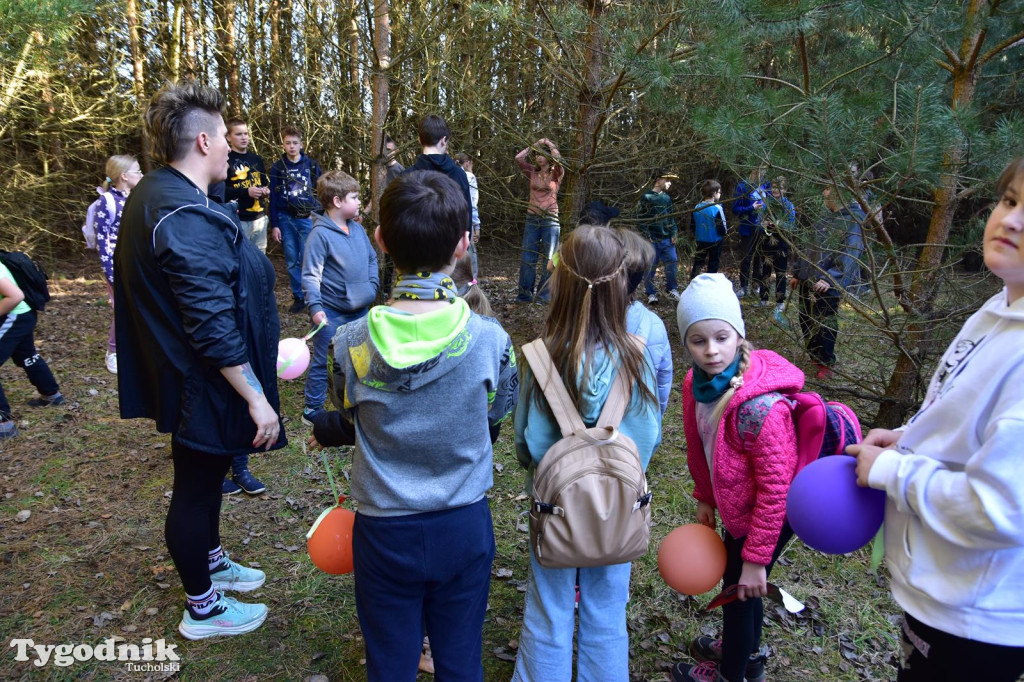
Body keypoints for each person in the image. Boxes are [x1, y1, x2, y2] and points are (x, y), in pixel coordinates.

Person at [325, 170, 518, 681]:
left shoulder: (347, 343)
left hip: (384, 530)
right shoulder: (491, 342)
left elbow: (347, 415)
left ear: (380, 239)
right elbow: (495, 415)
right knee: (460, 659)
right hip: (463, 526)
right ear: (463, 244)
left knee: (389, 663)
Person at [114, 82, 285, 640]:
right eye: (226, 141)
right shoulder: (179, 212)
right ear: (205, 140)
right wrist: (256, 398)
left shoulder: (164, 194)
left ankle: (211, 560)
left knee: (206, 477)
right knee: (193, 485)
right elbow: (210, 323)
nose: (233, 152)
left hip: (192, 376)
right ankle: (203, 608)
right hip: (200, 379)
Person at [849, 156, 1024, 682]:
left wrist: (890, 472)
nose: (1011, 220)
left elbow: (1000, 509)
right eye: (1011, 200)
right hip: (945, 597)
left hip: (977, 619)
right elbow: (967, 418)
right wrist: (908, 439)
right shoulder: (997, 310)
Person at [512, 225, 661, 682]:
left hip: (555, 507)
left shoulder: (541, 357)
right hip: (618, 508)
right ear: (621, 285)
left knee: (549, 606)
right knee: (608, 608)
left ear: (561, 281)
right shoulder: (637, 356)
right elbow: (648, 436)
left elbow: (527, 441)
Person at [671, 273, 803, 682]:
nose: (711, 351)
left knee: (740, 589)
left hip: (771, 514)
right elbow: (700, 448)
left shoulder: (760, 407)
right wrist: (705, 496)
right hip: (737, 507)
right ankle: (747, 654)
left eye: (722, 337)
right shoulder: (697, 383)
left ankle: (733, 674)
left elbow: (776, 491)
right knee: (742, 588)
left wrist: (756, 560)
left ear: (740, 335)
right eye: (698, 340)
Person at [300, 170, 378, 425]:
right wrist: (315, 307)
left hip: (361, 310)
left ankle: (358, 400)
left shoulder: (356, 229)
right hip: (331, 314)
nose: (359, 202)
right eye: (354, 198)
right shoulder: (319, 235)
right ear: (337, 201)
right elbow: (311, 275)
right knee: (324, 360)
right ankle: (312, 409)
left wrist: (372, 284)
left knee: (362, 357)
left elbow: (371, 258)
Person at [790, 184, 866, 379]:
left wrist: (830, 279)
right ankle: (814, 355)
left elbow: (850, 254)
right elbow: (810, 246)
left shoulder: (853, 221)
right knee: (806, 318)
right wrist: (799, 272)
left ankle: (826, 362)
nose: (823, 192)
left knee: (825, 322)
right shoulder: (826, 217)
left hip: (826, 286)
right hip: (809, 280)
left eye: (827, 188)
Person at [0, 262, 65, 441]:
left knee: (27, 355)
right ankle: (52, 395)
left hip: (15, 314)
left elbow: (15, 296)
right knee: (27, 355)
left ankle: (4, 424)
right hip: (23, 314)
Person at [93, 154, 143, 375]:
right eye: (138, 171)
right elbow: (102, 240)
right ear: (124, 175)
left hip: (137, 264)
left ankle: (134, 348)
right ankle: (112, 351)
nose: (142, 175)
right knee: (121, 309)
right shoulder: (106, 202)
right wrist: (111, 272)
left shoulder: (136, 198)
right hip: (117, 266)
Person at [618, 227, 673, 415]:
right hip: (638, 430)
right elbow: (662, 382)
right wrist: (656, 419)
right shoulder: (654, 324)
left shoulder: (577, 321)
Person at [269, 125, 323, 313]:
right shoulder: (278, 168)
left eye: (295, 143)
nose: (291, 146)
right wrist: (275, 224)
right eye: (287, 143)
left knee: (308, 258)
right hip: (286, 218)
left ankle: (313, 297)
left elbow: (321, 190)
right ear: (283, 145)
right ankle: (298, 297)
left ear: (301, 144)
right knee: (292, 259)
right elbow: (273, 199)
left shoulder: (311, 165)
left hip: (306, 218)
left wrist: (314, 212)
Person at [515, 137, 564, 303]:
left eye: (542, 154)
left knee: (550, 258)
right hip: (532, 217)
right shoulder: (532, 172)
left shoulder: (556, 172)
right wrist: (533, 145)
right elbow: (518, 158)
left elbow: (558, 159)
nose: (538, 157)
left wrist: (549, 144)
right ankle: (524, 295)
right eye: (536, 155)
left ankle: (544, 296)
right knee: (528, 257)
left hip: (550, 218)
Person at [224, 117, 270, 253]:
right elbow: (220, 191)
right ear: (228, 137)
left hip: (259, 219)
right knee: (240, 260)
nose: (244, 138)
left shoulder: (256, 159)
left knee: (261, 260)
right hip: (238, 220)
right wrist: (246, 192)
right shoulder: (226, 160)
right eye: (238, 134)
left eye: (246, 133)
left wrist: (265, 191)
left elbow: (264, 183)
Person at [639, 171, 681, 304]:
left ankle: (672, 289)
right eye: (667, 180)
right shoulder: (646, 197)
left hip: (667, 239)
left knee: (672, 262)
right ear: (658, 180)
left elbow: (671, 217)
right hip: (651, 240)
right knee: (650, 266)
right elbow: (640, 219)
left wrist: (674, 232)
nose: (669, 183)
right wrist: (646, 235)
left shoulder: (666, 198)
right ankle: (650, 293)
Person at [756, 177, 796, 312]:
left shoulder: (789, 206)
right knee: (766, 272)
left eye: (779, 188)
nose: (775, 190)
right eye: (773, 187)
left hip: (782, 244)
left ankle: (780, 301)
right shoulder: (766, 204)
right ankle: (763, 299)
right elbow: (759, 222)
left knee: (780, 273)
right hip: (766, 243)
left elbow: (791, 226)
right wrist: (764, 225)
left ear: (785, 190)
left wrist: (778, 224)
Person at [733, 167, 768, 298]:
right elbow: (735, 209)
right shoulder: (742, 187)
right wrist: (750, 208)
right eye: (760, 171)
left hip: (762, 230)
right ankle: (743, 286)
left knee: (760, 258)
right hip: (747, 229)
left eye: (764, 171)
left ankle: (756, 285)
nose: (762, 174)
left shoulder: (766, 186)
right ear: (753, 170)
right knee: (746, 258)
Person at [690, 179, 728, 279]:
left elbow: (693, 224)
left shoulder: (697, 207)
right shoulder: (717, 208)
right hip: (715, 240)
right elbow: (722, 228)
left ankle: (693, 281)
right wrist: (723, 234)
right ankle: (710, 285)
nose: (720, 194)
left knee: (698, 262)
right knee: (713, 263)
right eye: (719, 192)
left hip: (700, 240)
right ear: (714, 193)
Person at [454, 152, 481, 277]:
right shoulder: (469, 177)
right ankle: (471, 288)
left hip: (451, 221)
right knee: (469, 255)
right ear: (468, 163)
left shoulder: (450, 173)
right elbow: (473, 203)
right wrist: (477, 227)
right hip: (466, 221)